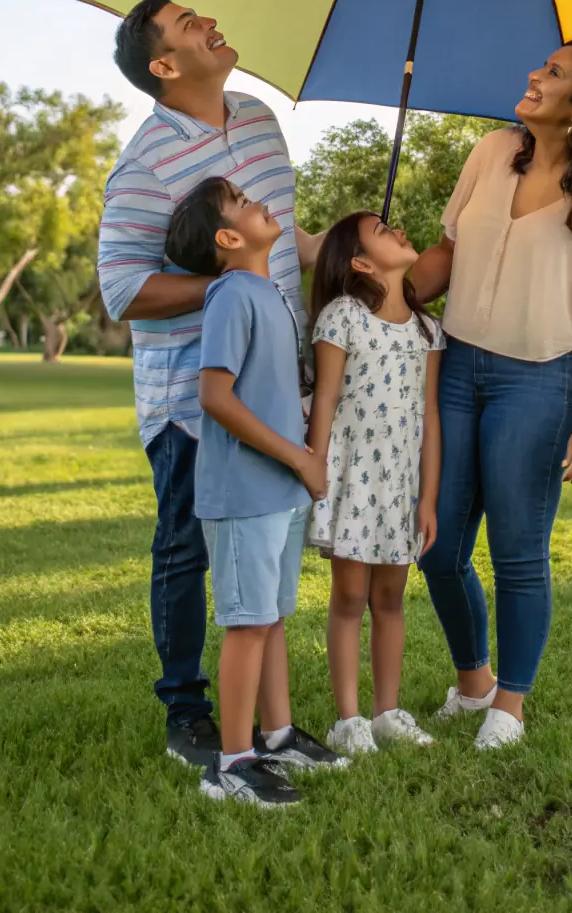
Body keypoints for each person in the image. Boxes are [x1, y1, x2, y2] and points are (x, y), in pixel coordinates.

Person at [97, 0, 323, 769]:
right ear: (164, 66)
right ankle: (187, 710)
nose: (210, 22)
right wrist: (238, 286)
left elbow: (282, 227)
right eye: (188, 24)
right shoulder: (144, 164)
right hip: (192, 396)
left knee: (268, 544)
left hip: (276, 388)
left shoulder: (259, 117)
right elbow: (123, 290)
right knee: (187, 548)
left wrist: (345, 246)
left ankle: (273, 724)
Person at [411, 39, 572, 750]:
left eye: (552, 73)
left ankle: (509, 705)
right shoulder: (490, 153)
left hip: (544, 378)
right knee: (436, 544)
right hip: (455, 367)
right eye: (541, 65)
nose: (532, 75)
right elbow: (448, 255)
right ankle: (474, 679)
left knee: (518, 550)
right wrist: (377, 288)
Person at [163, 177, 344, 806]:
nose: (259, 203)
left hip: (280, 491)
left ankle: (278, 733)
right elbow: (215, 396)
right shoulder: (231, 295)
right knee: (248, 623)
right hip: (244, 494)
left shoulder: (266, 292)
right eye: (243, 203)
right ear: (229, 237)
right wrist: (297, 454)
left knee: (270, 618)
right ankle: (233, 764)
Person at [306, 212, 444, 755]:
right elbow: (324, 396)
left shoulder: (427, 329)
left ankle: (387, 711)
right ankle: (349, 720)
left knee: (390, 598)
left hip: (400, 485)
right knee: (349, 597)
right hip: (354, 481)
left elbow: (430, 415)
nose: (400, 230)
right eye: (383, 230)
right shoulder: (342, 318)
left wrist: (427, 497)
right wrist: (315, 461)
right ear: (360, 262)